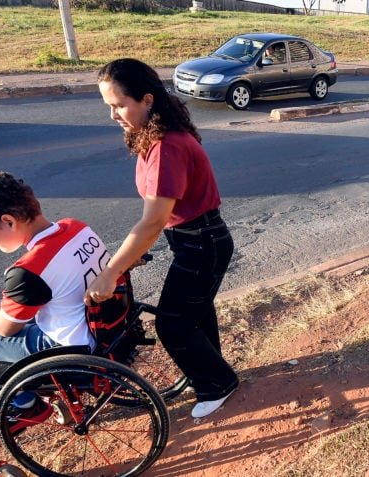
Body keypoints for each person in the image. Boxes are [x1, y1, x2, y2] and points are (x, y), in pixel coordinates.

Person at [90, 58, 238, 419]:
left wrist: (111, 271)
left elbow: (152, 222)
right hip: (197, 239)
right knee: (196, 314)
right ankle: (216, 376)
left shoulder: (166, 146)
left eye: (119, 105)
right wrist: (130, 255)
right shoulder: (158, 136)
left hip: (200, 242)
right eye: (109, 106)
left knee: (173, 323)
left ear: (147, 100)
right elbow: (159, 220)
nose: (113, 115)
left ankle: (217, 384)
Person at [0, 171, 113, 368]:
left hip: (75, 349)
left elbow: (5, 328)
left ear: (9, 221)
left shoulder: (28, 271)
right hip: (107, 329)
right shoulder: (76, 227)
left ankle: (21, 399)